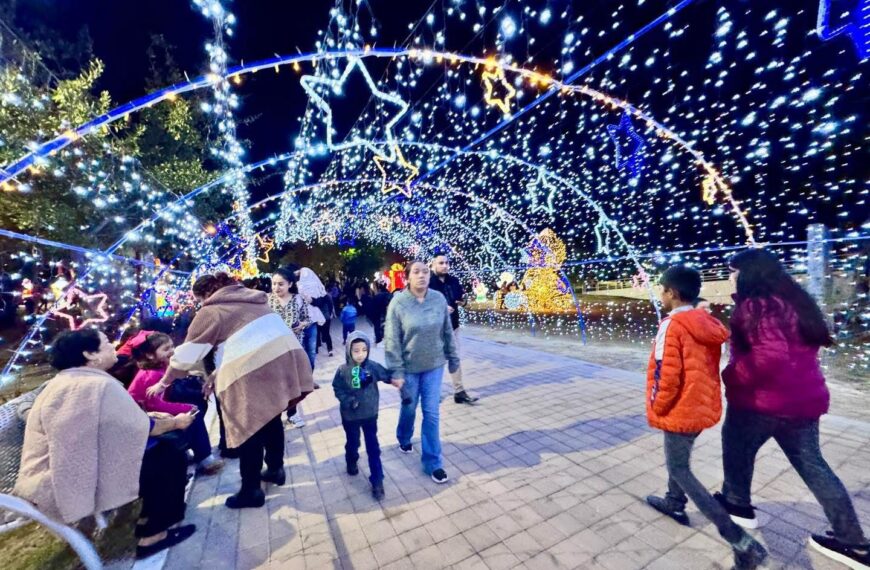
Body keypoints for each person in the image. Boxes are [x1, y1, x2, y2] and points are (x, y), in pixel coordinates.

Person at [715, 249, 869, 568]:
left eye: (734, 270)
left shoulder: (757, 306)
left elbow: (771, 355)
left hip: (760, 402)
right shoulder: (796, 302)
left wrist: (731, 375)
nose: (731, 275)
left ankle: (738, 511)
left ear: (750, 273)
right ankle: (855, 544)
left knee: (737, 453)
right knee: (815, 467)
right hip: (803, 402)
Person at [14, 329, 197, 559]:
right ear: (90, 354)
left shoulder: (70, 381)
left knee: (159, 453)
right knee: (169, 456)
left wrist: (151, 420)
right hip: (67, 483)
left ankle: (149, 518)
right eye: (106, 343)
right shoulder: (96, 385)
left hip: (57, 476)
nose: (114, 346)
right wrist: (176, 422)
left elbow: (110, 426)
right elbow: (141, 428)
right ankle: (153, 536)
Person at [146, 272, 314, 509]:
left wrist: (164, 382)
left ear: (206, 294)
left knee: (250, 428)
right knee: (272, 416)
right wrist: (215, 374)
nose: (199, 305)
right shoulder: (252, 300)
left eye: (199, 300)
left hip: (257, 371)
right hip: (284, 361)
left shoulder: (212, 310)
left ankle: (251, 490)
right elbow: (240, 344)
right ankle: (276, 469)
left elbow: (187, 354)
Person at [643, 266, 767, 569]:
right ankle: (674, 502)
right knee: (680, 458)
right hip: (702, 406)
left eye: (662, 290)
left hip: (679, 407)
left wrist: (657, 406)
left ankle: (739, 540)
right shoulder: (706, 321)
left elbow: (665, 373)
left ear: (672, 293)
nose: (661, 295)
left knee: (680, 467)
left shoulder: (671, 325)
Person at [385, 261, 460, 484]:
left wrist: (453, 358)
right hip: (408, 369)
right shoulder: (398, 303)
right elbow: (392, 339)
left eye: (425, 272)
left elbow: (447, 331)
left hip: (434, 365)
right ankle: (404, 436)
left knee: (432, 413)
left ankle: (433, 463)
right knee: (409, 407)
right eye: (416, 272)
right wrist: (395, 370)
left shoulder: (438, 299)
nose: (421, 276)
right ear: (407, 277)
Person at [127, 331, 224, 476]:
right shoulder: (153, 374)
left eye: (172, 346)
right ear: (150, 355)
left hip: (150, 412)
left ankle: (197, 452)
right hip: (144, 417)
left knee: (192, 411)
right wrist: (186, 408)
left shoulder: (161, 368)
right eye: (166, 349)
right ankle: (205, 459)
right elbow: (156, 405)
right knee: (193, 415)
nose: (172, 351)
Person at [332, 331, 401, 501]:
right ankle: (351, 459)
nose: (360, 354)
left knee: (373, 448)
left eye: (364, 350)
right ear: (349, 350)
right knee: (353, 442)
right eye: (356, 350)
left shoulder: (373, 367)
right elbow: (337, 388)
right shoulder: (343, 370)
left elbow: (387, 375)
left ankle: (377, 481)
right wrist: (348, 400)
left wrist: (397, 379)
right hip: (350, 417)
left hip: (370, 414)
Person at [268, 267, 314, 428]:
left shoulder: (298, 299)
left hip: (294, 348)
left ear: (290, 284)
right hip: (273, 350)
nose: (276, 288)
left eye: (280, 284)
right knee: (276, 385)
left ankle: (292, 414)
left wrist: (301, 325)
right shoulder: (267, 300)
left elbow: (307, 319)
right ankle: (276, 417)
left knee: (293, 384)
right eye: (274, 284)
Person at [429, 253, 478, 404]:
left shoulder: (454, 281)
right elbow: (422, 304)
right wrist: (441, 308)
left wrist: (463, 303)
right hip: (435, 328)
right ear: (433, 265)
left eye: (446, 263)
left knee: (454, 359)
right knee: (436, 361)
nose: (444, 265)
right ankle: (432, 393)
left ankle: (459, 392)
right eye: (441, 263)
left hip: (453, 326)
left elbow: (462, 300)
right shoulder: (428, 283)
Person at [317, 290, 335, 357]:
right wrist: (329, 314)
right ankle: (330, 350)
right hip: (326, 317)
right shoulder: (327, 296)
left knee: (318, 332)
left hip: (319, 318)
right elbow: (331, 306)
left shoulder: (314, 297)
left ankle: (317, 348)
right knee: (327, 334)